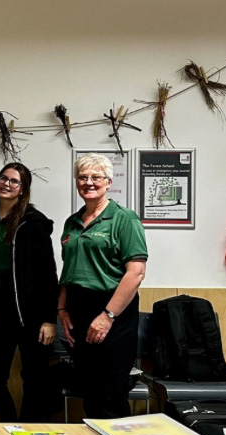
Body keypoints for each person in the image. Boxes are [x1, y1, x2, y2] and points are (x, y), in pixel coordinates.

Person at [0, 163, 60, 435]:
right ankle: (11, 434)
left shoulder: (33, 222)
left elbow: (49, 274)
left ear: (23, 188)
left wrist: (50, 319)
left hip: (32, 313)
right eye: (3, 178)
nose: (7, 184)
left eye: (14, 181)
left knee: (33, 379)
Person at [58, 154, 148, 419]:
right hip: (77, 309)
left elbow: (136, 273)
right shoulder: (72, 222)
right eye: (83, 177)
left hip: (112, 310)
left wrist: (107, 316)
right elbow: (68, 269)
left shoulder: (124, 219)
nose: (89, 182)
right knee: (88, 387)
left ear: (109, 181)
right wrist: (62, 308)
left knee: (111, 389)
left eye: (95, 177)